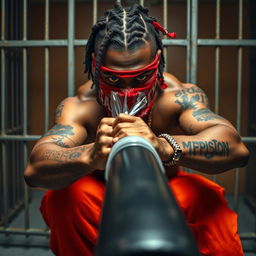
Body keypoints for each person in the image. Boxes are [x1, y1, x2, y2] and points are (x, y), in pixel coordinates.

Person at [24, 3, 249, 256]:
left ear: (158, 60)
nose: (128, 91)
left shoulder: (178, 96)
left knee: (207, 199)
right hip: (100, 194)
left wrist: (163, 146)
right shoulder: (81, 106)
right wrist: (90, 155)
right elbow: (35, 169)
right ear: (95, 64)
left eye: (141, 77)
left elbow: (236, 147)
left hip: (166, 187)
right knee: (66, 199)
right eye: (113, 78)